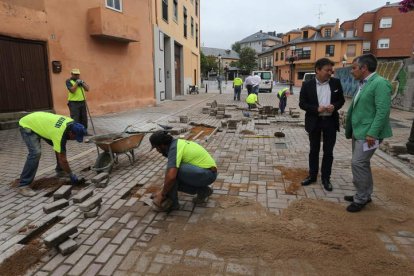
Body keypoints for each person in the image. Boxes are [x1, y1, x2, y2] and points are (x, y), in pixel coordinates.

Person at [344, 53, 392, 212]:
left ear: (364, 68)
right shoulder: (364, 83)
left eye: (354, 68)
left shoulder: (380, 83)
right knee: (362, 164)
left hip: (369, 134)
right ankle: (364, 193)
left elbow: (382, 111)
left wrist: (372, 133)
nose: (352, 71)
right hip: (360, 132)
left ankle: (361, 199)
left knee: (358, 163)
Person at [299, 58, 345, 192]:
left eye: (331, 70)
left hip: (330, 122)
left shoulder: (336, 83)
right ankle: (312, 176)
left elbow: (341, 100)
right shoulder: (307, 85)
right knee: (314, 150)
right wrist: (315, 109)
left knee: (328, 152)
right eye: (327, 70)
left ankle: (326, 178)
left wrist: (334, 107)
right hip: (315, 121)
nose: (330, 73)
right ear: (318, 70)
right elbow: (302, 104)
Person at [18, 112, 86, 197]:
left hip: (41, 123)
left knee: (59, 147)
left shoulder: (71, 123)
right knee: (35, 153)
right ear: (71, 133)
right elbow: (63, 160)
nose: (74, 139)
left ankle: (60, 171)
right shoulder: (59, 133)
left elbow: (60, 150)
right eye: (75, 137)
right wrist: (70, 174)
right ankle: (24, 185)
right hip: (27, 124)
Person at [150, 131, 218, 212]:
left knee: (172, 174)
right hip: (208, 173)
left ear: (162, 145)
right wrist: (163, 190)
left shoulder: (174, 148)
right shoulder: (177, 143)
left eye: (157, 148)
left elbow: (171, 177)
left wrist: (162, 194)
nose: (157, 151)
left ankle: (172, 205)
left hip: (207, 174)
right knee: (172, 177)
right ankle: (203, 191)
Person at [66, 68, 90, 133]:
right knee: (75, 118)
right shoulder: (68, 81)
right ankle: (75, 133)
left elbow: (87, 89)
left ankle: (84, 132)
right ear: (72, 74)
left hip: (82, 102)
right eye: (75, 74)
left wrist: (82, 83)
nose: (76, 76)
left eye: (78, 74)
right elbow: (72, 90)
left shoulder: (81, 81)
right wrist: (76, 83)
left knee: (84, 118)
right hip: (73, 103)